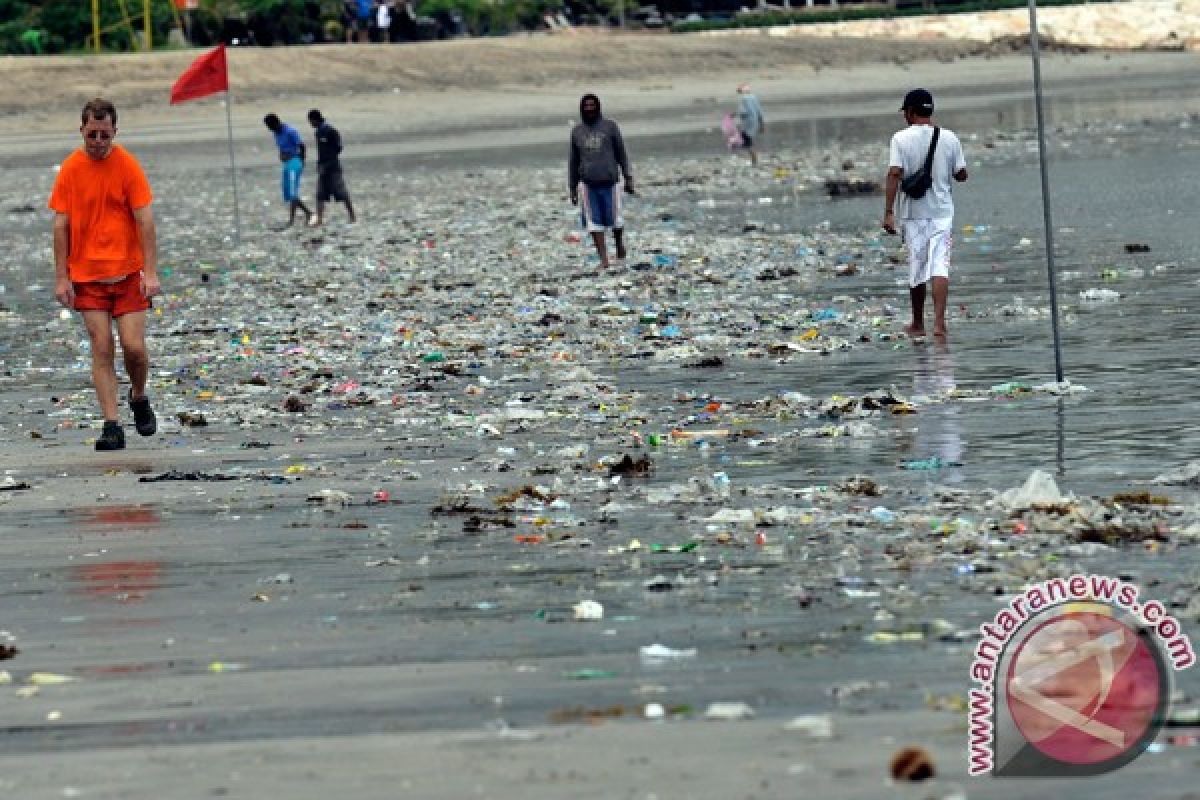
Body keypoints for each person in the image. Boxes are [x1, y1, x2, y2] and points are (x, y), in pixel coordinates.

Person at [49, 98, 160, 451]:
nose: (98, 141)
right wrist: (62, 277)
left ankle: (139, 396)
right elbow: (60, 226)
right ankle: (111, 425)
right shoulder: (70, 169)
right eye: (92, 134)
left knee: (134, 348)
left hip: (128, 274)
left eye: (104, 134)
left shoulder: (127, 166)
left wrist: (151, 272)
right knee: (101, 348)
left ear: (114, 132)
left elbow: (145, 220)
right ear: (82, 130)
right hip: (87, 277)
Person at [882, 88, 968, 339]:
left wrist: (889, 212)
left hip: (913, 212)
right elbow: (961, 174)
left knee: (917, 267)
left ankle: (918, 324)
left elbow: (894, 173)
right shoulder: (949, 138)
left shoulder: (900, 139)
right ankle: (940, 325)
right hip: (942, 212)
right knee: (940, 265)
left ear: (909, 112)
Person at [568, 93, 635, 269]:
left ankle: (619, 245)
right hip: (588, 184)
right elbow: (573, 161)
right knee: (594, 223)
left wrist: (628, 178)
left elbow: (621, 153)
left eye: (592, 105)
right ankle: (604, 259)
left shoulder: (610, 127)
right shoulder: (577, 132)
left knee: (616, 220)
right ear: (582, 109)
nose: (589, 108)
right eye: (586, 106)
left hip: (610, 182)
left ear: (598, 107)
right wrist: (572, 187)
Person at [263, 113, 313, 228]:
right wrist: (281, 155)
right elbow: (281, 147)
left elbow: (302, 146)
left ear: (275, 123)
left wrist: (302, 160)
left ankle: (293, 219)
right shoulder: (276, 133)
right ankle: (307, 213)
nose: (269, 129)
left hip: (295, 162)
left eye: (269, 126)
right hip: (287, 163)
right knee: (288, 192)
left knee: (292, 192)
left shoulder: (290, 131)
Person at [307, 109, 356, 226]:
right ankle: (319, 219)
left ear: (315, 119)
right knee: (320, 194)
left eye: (311, 121)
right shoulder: (318, 132)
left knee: (342, 192)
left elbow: (338, 148)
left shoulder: (330, 131)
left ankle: (352, 216)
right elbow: (321, 151)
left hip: (333, 168)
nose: (310, 124)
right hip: (322, 167)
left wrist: (328, 162)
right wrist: (320, 165)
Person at [735, 84, 764, 166]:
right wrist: (762, 125)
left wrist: (736, 116)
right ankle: (754, 160)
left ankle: (754, 161)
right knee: (748, 141)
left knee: (746, 143)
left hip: (747, 124)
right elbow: (759, 111)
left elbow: (742, 113)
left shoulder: (743, 99)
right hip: (754, 123)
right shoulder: (754, 98)